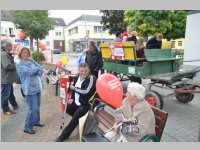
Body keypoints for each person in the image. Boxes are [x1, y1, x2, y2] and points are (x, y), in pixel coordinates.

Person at [55, 63, 97, 142]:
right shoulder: (78, 76)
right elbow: (73, 90)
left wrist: (74, 89)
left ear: (89, 71)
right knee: (67, 108)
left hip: (86, 104)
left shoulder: (92, 78)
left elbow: (86, 92)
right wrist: (72, 98)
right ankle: (80, 121)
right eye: (82, 71)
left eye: (85, 71)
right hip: (77, 102)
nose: (83, 73)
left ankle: (62, 137)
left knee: (73, 120)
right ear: (79, 70)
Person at [16, 46, 44, 134]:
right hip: (29, 89)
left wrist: (36, 70)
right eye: (23, 52)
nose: (26, 54)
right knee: (32, 108)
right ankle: (27, 127)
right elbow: (28, 72)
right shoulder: (19, 64)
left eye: (27, 52)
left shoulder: (31, 60)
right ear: (20, 54)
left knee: (37, 107)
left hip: (37, 87)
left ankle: (36, 121)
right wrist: (36, 70)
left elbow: (41, 68)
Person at [1, 40, 19, 115]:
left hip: (8, 78)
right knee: (5, 95)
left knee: (10, 93)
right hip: (5, 79)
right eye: (9, 46)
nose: (11, 47)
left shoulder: (6, 54)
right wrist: (15, 65)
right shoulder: (3, 54)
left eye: (10, 46)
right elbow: (6, 66)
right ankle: (6, 110)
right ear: (5, 46)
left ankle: (14, 104)